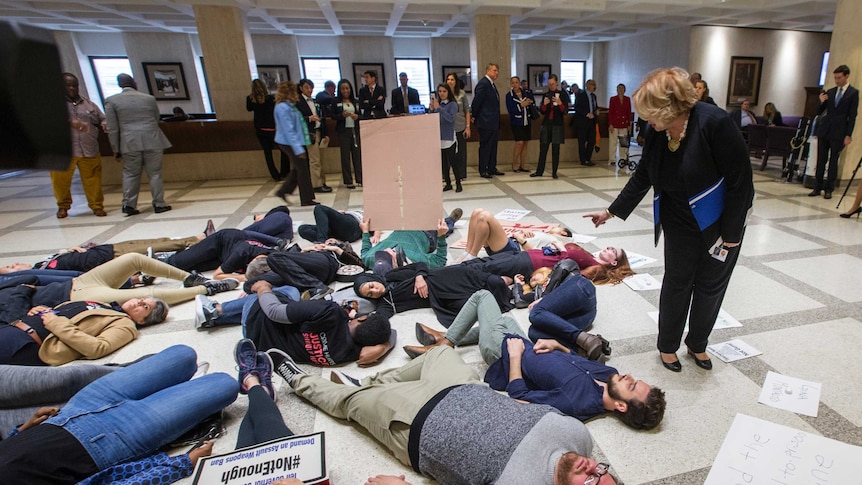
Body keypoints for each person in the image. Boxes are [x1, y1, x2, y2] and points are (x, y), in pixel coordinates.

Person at [585, 67, 754, 373]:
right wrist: (610, 211)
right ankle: (668, 346)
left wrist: (731, 234)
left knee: (711, 286)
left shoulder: (715, 123)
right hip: (678, 219)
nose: (646, 121)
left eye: (649, 113)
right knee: (677, 282)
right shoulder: (657, 131)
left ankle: (698, 344)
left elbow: (741, 183)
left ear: (669, 107)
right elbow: (644, 175)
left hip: (719, 223)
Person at [273, 346, 621, 485]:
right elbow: (526, 405)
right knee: (440, 351)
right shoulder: (579, 436)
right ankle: (372, 381)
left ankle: (297, 378)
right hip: (462, 387)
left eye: (590, 484)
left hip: (414, 423)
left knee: (350, 402)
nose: (592, 468)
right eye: (601, 472)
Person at [0, 345, 237, 484]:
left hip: (76, 410)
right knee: (224, 385)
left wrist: (22, 429)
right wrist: (181, 464)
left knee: (183, 355)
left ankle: (181, 396)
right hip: (114, 440)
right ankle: (183, 402)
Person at [247, 280, 394, 367]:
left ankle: (224, 309)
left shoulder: (330, 312)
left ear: (362, 318)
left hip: (257, 315)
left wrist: (262, 288)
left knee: (288, 290)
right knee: (293, 298)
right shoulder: (349, 353)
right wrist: (384, 346)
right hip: (257, 344)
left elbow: (273, 312)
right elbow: (391, 334)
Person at [0, 296, 167, 366]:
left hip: (28, 343)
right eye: (140, 299)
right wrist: (41, 310)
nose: (136, 303)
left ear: (142, 320)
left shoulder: (125, 325)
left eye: (144, 307)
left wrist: (56, 323)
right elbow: (64, 312)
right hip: (14, 327)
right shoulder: (105, 305)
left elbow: (98, 348)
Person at [353, 262, 512, 327]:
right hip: (442, 296)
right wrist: (355, 315)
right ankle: (517, 291)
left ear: (372, 278)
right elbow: (380, 318)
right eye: (371, 294)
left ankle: (514, 285)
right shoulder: (387, 302)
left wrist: (419, 276)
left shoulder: (390, 275)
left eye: (372, 286)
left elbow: (420, 264)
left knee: (495, 282)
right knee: (474, 307)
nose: (376, 291)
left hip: (450, 276)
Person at [105, 73, 172, 216]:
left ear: (119, 84)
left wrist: (115, 148)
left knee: (130, 174)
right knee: (155, 174)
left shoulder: (112, 101)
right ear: (134, 82)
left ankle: (129, 204)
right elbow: (156, 118)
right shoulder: (149, 99)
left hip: (129, 142)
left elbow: (112, 128)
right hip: (153, 139)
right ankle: (159, 204)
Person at [0, 363, 116, 437]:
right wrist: (22, 429)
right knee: (74, 414)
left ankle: (126, 371)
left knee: (67, 378)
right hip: (11, 436)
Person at [53, 73, 107, 219]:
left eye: (74, 85)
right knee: (60, 181)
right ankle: (63, 206)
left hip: (88, 148)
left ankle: (97, 206)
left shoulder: (89, 104)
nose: (72, 88)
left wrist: (104, 123)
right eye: (68, 85)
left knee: (93, 179)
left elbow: (101, 118)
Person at [461, 242, 635, 286]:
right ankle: (443, 275)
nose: (609, 247)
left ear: (613, 262)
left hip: (531, 263)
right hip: (529, 255)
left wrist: (560, 248)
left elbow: (569, 272)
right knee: (482, 263)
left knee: (482, 267)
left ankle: (440, 279)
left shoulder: (596, 268)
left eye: (614, 251)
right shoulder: (590, 257)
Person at [811, 64, 859, 200]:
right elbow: (820, 111)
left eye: (839, 78)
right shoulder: (831, 92)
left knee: (833, 160)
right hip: (825, 129)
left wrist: (848, 134)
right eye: (835, 78)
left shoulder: (853, 93)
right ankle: (817, 186)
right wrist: (821, 102)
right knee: (821, 159)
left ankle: (829, 188)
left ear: (846, 76)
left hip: (839, 131)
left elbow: (852, 115)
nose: (837, 80)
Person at [162, 228, 273, 282]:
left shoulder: (274, 257)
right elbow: (217, 275)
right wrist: (244, 277)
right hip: (221, 241)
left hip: (224, 257)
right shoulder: (241, 253)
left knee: (190, 269)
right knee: (178, 262)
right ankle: (162, 259)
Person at [273, 81, 317, 207]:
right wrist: (298, 149)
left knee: (298, 168)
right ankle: (306, 199)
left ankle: (283, 191)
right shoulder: (282, 108)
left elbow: (299, 125)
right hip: (288, 142)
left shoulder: (290, 106)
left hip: (296, 141)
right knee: (302, 169)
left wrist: (307, 136)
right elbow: (289, 130)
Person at [461, 208, 573, 257]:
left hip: (514, 249)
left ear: (563, 233)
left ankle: (472, 255)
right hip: (510, 243)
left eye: (559, 228)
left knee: (484, 217)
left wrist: (521, 240)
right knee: (477, 212)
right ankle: (468, 252)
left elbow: (539, 255)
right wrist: (523, 232)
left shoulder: (558, 242)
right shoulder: (547, 236)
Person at [359, 216, 454, 269]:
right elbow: (440, 260)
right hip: (426, 234)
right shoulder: (415, 260)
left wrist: (365, 232)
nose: (387, 250)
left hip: (403, 225)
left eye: (383, 257)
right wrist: (441, 236)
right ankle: (452, 219)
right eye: (390, 257)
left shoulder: (371, 258)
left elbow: (364, 253)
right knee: (444, 225)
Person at [247, 78, 289, 181]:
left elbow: (249, 109)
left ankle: (275, 175)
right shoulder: (271, 98)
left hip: (260, 129)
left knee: (268, 153)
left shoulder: (250, 99)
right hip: (273, 129)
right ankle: (284, 172)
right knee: (284, 150)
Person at [296, 79, 333, 194]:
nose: (309, 90)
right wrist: (308, 119)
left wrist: (325, 133)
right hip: (308, 133)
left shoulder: (316, 101)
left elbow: (322, 117)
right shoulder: (298, 102)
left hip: (319, 131)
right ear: (301, 88)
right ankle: (316, 184)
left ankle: (322, 181)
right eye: (307, 87)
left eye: (311, 87)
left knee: (321, 160)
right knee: (314, 160)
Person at [533, 74, 570, 178]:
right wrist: (544, 104)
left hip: (557, 125)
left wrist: (560, 103)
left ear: (557, 83)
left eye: (553, 84)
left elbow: (565, 111)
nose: (551, 86)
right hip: (546, 124)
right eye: (549, 84)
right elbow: (542, 111)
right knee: (543, 149)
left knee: (555, 149)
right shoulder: (546, 94)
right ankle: (539, 171)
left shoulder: (563, 94)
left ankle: (554, 172)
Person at [472, 63, 503, 178]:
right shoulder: (483, 84)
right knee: (485, 146)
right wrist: (474, 116)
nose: (497, 73)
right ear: (488, 71)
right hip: (485, 121)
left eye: (497, 70)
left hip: (493, 122)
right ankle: (483, 169)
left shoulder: (492, 85)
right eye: (494, 70)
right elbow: (477, 102)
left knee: (493, 146)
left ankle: (491, 167)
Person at [429, 82, 460, 192]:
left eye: (444, 91)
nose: (442, 93)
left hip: (449, 137)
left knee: (453, 162)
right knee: (443, 163)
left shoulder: (452, 105)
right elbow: (432, 119)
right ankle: (448, 183)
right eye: (440, 91)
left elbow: (450, 119)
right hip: (439, 136)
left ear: (448, 92)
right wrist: (432, 109)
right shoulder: (438, 104)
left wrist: (440, 109)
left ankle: (458, 183)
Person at [333, 78, 362, 188]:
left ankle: (359, 178)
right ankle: (348, 181)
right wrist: (342, 116)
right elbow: (333, 116)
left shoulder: (355, 101)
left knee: (357, 155)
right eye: (343, 89)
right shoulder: (336, 102)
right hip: (343, 131)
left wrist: (357, 117)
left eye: (347, 88)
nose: (345, 91)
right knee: (345, 156)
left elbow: (361, 115)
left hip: (355, 130)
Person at [446, 73, 470, 184]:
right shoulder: (443, 94)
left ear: (456, 81)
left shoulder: (461, 93)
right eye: (448, 79)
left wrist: (468, 127)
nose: (450, 81)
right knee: (447, 152)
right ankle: (445, 175)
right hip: (447, 128)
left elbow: (466, 111)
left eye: (452, 79)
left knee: (461, 151)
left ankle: (461, 174)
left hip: (460, 125)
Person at [506, 75, 533, 173]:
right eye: (512, 83)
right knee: (519, 142)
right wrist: (520, 105)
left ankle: (523, 164)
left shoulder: (526, 93)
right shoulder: (509, 95)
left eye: (516, 82)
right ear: (511, 84)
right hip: (516, 122)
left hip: (526, 121)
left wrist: (529, 102)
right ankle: (514, 163)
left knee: (525, 143)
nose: (515, 84)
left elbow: (532, 103)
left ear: (519, 83)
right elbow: (511, 110)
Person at [298, 204, 363, 243]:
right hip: (338, 232)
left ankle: (322, 241)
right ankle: (330, 241)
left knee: (319, 208)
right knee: (302, 229)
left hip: (354, 223)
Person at [573, 79, 598, 166]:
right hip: (582, 121)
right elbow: (577, 107)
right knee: (582, 141)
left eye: (594, 85)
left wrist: (596, 111)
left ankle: (588, 158)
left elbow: (594, 106)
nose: (593, 86)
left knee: (592, 140)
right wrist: (587, 114)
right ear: (587, 85)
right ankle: (583, 160)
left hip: (591, 121)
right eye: (592, 84)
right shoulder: (580, 95)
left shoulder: (594, 96)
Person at [608, 83, 633, 166]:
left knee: (623, 142)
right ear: (617, 90)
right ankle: (612, 159)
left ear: (625, 90)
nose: (621, 90)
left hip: (624, 124)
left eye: (622, 88)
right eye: (619, 88)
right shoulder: (613, 99)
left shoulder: (627, 99)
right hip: (614, 124)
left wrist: (629, 124)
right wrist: (610, 124)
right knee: (613, 142)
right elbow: (610, 112)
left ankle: (623, 158)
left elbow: (628, 112)